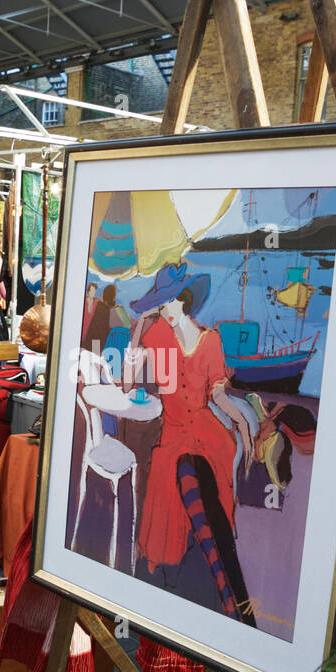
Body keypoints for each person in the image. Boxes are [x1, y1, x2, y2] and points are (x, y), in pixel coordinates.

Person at [120, 263, 256, 626]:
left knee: (199, 480)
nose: (162, 309)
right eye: (159, 303)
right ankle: (212, 594)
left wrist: (241, 422)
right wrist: (137, 330)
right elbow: (128, 382)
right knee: (180, 471)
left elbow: (216, 394)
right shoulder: (158, 337)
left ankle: (222, 594)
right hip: (175, 434)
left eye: (166, 303)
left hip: (208, 434)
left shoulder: (210, 340)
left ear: (182, 301)